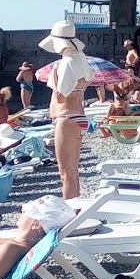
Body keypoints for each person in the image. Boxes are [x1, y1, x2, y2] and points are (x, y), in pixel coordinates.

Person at [41, 20, 91, 200]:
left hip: (66, 118)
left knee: (65, 174)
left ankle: (69, 213)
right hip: (78, 116)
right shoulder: (80, 59)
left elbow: (61, 95)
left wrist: (54, 80)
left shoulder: (66, 63)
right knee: (73, 173)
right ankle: (76, 209)